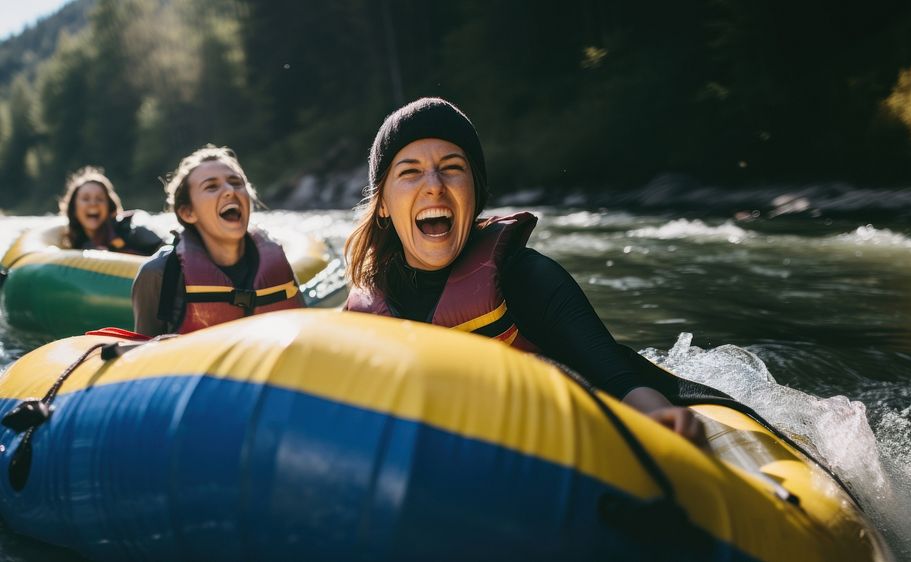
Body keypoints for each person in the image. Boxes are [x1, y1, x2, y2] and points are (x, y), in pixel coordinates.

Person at [344, 98, 705, 444]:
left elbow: (618, 380)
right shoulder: (364, 313)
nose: (434, 186)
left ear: (476, 192)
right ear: (383, 206)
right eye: (410, 172)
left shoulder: (527, 279)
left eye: (453, 168)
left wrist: (657, 416)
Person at [131, 145, 304, 336]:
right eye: (211, 186)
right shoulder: (158, 273)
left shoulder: (276, 263)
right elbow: (143, 357)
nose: (230, 190)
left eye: (236, 183)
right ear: (188, 213)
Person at [59, 166, 165, 255]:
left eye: (100, 199)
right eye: (86, 199)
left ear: (109, 206)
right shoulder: (70, 240)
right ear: (74, 208)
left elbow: (165, 250)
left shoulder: (131, 230)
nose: (93, 204)